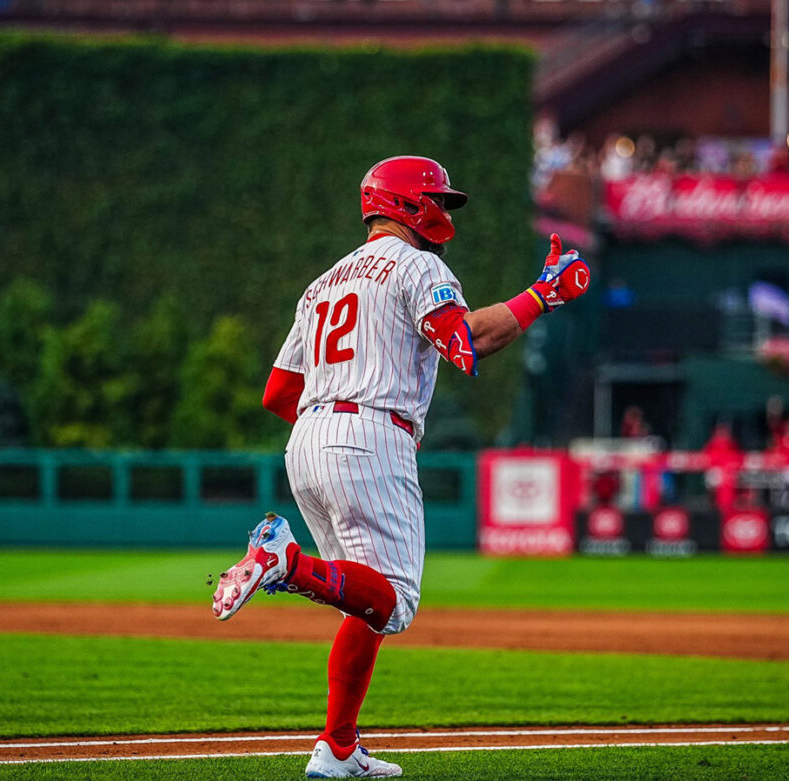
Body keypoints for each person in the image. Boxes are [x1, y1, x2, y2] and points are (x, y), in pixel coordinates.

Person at [211, 155, 590, 778]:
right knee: (395, 603)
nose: (445, 209)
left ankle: (336, 748)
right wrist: (543, 294)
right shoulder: (418, 266)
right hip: (370, 431)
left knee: (361, 603)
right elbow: (467, 341)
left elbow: (278, 393)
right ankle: (285, 562)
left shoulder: (323, 282)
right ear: (409, 204)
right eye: (439, 198)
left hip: (307, 435)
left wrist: (329, 430)